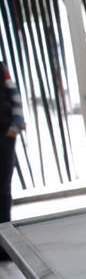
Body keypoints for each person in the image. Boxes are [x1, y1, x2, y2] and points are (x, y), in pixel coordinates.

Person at [0, 61, 24, 223]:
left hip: (5, 135)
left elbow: (14, 96)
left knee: (3, 188)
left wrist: (15, 128)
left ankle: (5, 234)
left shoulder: (1, 68)